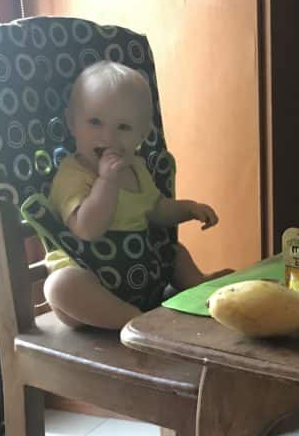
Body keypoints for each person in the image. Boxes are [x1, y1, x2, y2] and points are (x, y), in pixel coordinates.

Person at [43, 60, 219, 329]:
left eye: (123, 127)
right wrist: (106, 181)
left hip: (140, 274)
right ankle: (135, 322)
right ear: (72, 123)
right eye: (95, 122)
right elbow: (87, 228)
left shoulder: (136, 167)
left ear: (142, 133)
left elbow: (157, 210)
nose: (108, 137)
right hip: (91, 285)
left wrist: (188, 209)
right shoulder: (72, 174)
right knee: (60, 285)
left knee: (173, 251)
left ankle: (201, 288)